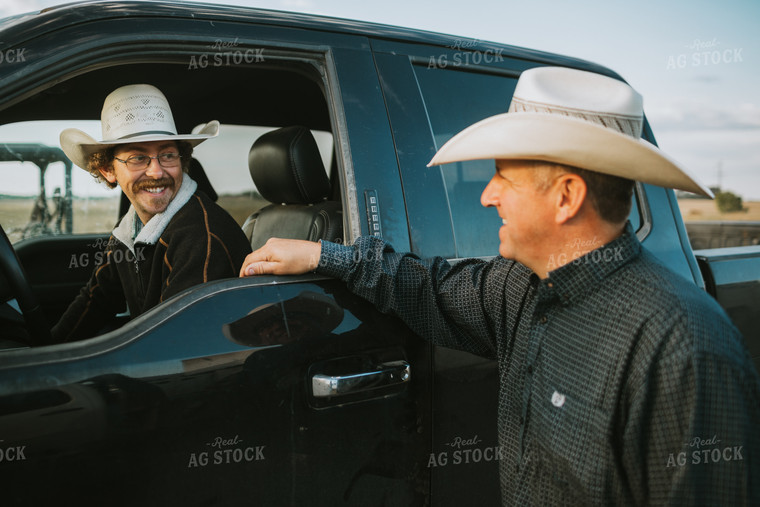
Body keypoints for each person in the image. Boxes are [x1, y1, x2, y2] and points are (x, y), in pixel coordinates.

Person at [238, 67, 760, 504]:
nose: (487, 196)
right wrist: (323, 253)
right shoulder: (520, 287)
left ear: (566, 197)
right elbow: (425, 287)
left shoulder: (682, 348)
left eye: (503, 177)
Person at [52, 84, 251, 343]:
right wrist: (45, 352)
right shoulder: (130, 229)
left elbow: (181, 344)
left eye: (167, 155)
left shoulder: (201, 237)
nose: (156, 172)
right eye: (137, 158)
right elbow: (97, 298)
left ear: (182, 161)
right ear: (108, 171)